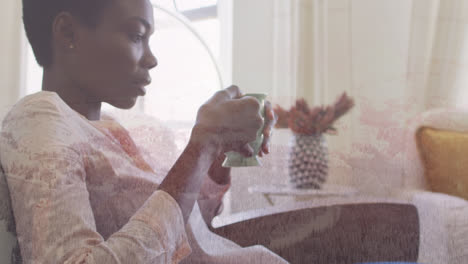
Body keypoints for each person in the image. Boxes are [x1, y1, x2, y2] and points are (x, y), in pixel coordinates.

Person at [0, 0, 288, 263]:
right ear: (67, 33)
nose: (152, 59)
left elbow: (185, 234)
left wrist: (214, 161)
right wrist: (203, 142)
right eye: (137, 36)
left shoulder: (108, 127)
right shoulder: (40, 118)